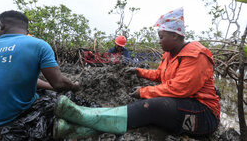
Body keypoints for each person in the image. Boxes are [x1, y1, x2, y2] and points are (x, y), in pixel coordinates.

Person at [52, 7, 220, 139]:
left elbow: (179, 89)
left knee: (152, 106)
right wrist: (139, 71)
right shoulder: (169, 55)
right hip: (183, 106)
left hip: (204, 115)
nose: (159, 41)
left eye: (161, 37)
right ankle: (73, 129)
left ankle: (82, 116)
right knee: (144, 118)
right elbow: (159, 75)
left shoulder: (196, 55)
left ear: (175, 36)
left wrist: (143, 92)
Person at [0, 11, 80, 129]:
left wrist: (51, 86)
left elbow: (20, 79)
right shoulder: (38, 45)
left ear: (0, 25)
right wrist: (73, 86)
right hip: (10, 120)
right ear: (26, 29)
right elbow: (59, 83)